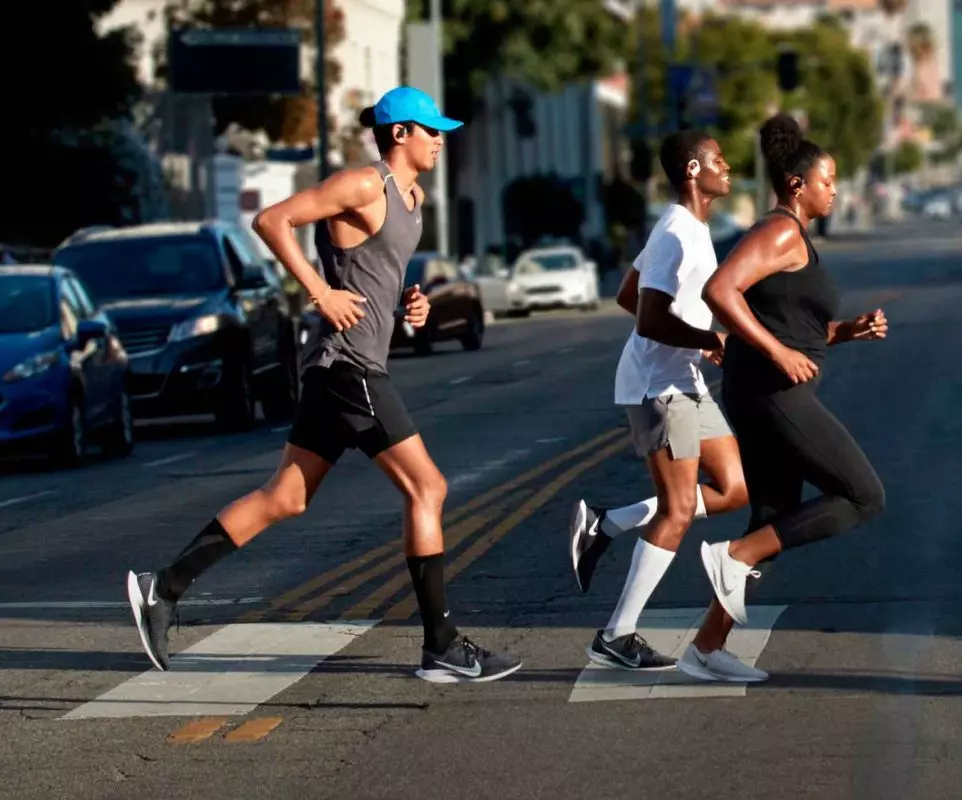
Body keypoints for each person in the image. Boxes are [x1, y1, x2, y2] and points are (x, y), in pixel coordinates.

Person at [125, 87, 522, 684]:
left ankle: (163, 588)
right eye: (431, 130)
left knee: (286, 497)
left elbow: (373, 271)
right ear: (399, 134)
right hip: (348, 366)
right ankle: (441, 646)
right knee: (428, 488)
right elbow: (270, 220)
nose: (441, 140)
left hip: (347, 367)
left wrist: (408, 303)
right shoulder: (364, 184)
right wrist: (320, 292)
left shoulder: (413, 199)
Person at [570, 131, 766, 682]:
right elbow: (647, 317)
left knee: (736, 488)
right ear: (692, 170)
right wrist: (707, 338)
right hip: (659, 387)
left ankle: (607, 523)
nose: (727, 166)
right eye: (717, 160)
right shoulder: (677, 233)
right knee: (678, 511)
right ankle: (616, 634)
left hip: (684, 381)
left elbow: (627, 295)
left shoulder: (690, 230)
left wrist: (694, 343)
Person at [698, 114, 889, 627]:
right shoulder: (781, 231)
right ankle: (733, 556)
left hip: (763, 388)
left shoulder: (794, 235)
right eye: (828, 181)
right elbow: (719, 290)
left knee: (772, 520)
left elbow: (791, 324)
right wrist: (777, 354)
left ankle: (707, 648)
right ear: (798, 184)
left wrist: (847, 331)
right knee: (863, 495)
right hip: (770, 391)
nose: (835, 190)